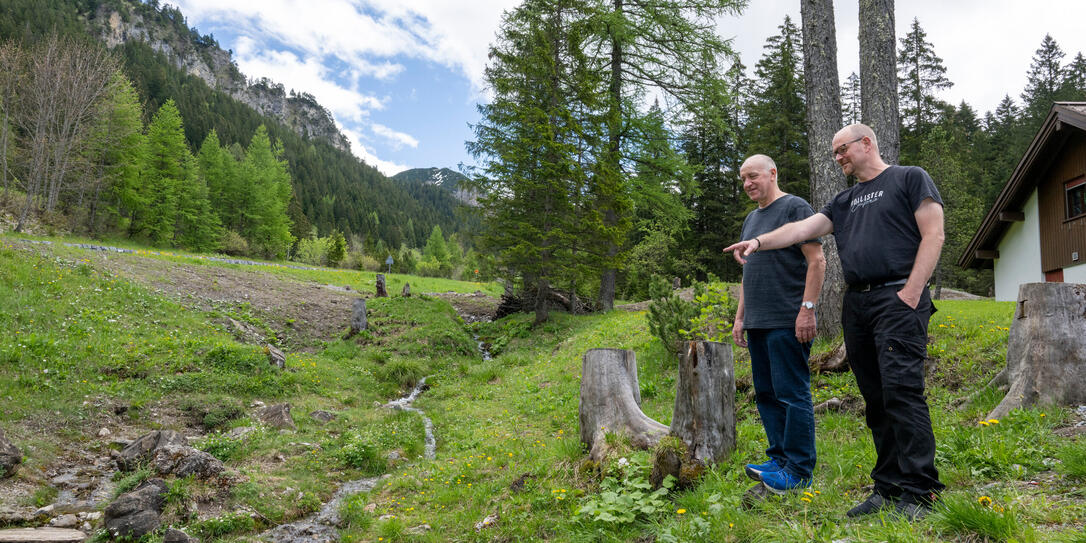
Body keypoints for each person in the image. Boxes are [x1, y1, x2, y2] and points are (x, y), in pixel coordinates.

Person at [724, 124, 946, 521]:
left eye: (843, 149)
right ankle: (888, 487)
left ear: (867, 143)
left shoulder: (908, 178)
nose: (838, 157)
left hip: (898, 297)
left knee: (902, 393)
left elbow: (934, 234)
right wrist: (758, 242)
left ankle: (920, 491)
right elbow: (800, 230)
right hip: (858, 303)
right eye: (834, 153)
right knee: (875, 399)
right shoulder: (844, 200)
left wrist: (912, 292)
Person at [730, 155, 825, 498]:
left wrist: (807, 310)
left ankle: (799, 470)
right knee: (767, 395)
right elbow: (748, 273)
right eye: (742, 179)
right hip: (757, 322)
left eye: (753, 176)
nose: (747, 184)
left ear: (773, 172)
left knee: (791, 394)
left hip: (787, 319)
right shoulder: (751, 219)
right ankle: (779, 459)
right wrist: (741, 317)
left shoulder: (795, 207)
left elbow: (817, 260)